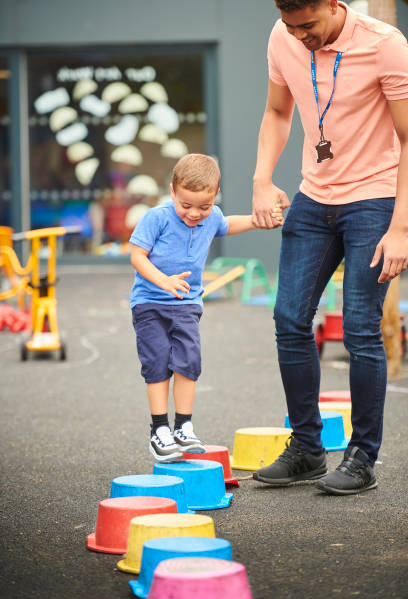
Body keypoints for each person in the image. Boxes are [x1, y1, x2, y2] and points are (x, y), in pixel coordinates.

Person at [252, 0, 408, 494]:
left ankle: (362, 457)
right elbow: (278, 111)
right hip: (314, 197)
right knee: (288, 318)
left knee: (360, 327)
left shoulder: (385, 46)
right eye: (290, 25)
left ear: (333, 6)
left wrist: (401, 228)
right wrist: (261, 179)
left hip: (375, 199)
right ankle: (307, 449)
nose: (300, 36)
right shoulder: (283, 36)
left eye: (308, 25)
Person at [130, 153, 283, 462]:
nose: (194, 214)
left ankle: (183, 426)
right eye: (186, 205)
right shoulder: (156, 217)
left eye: (204, 206)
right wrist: (164, 281)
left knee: (188, 363)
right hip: (150, 303)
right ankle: (159, 429)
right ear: (172, 191)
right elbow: (137, 256)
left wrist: (257, 220)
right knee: (158, 363)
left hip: (187, 305)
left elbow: (227, 224)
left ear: (215, 197)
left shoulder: (212, 216)